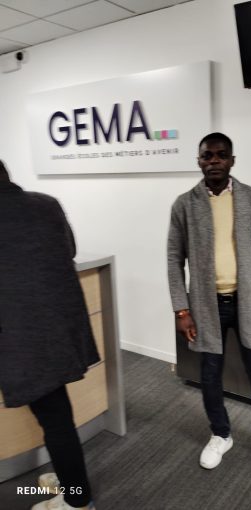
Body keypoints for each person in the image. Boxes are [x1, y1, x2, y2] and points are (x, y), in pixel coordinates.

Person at [167, 133, 251, 472]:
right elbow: (173, 257)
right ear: (198, 161)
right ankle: (220, 434)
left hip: (249, 302)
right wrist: (182, 309)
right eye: (207, 156)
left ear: (232, 160)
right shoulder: (184, 204)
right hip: (207, 306)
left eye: (221, 155)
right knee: (210, 374)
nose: (214, 161)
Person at [0, 160, 98, 509]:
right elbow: (68, 250)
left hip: (23, 342)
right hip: (59, 331)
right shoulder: (47, 203)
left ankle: (76, 501)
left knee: (55, 419)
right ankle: (71, 481)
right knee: (58, 414)